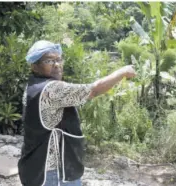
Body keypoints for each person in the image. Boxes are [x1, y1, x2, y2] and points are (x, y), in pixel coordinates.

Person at [18, 40, 136, 186]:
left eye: (58, 59)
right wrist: (122, 72)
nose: (56, 64)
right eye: (49, 60)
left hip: (36, 165)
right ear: (34, 66)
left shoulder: (33, 85)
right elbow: (94, 90)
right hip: (54, 172)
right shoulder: (52, 89)